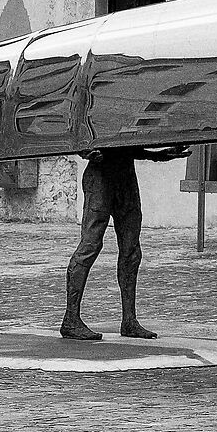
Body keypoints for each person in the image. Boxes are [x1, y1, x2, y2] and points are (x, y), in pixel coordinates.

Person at [63, 145, 188, 341]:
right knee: (90, 246)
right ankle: (71, 319)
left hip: (125, 176)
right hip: (100, 175)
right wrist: (84, 152)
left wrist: (157, 155)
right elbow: (77, 134)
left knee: (132, 251)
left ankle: (129, 321)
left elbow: (128, 143)